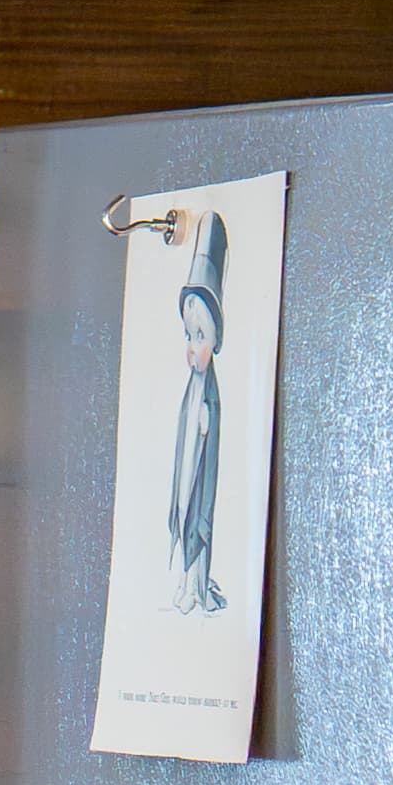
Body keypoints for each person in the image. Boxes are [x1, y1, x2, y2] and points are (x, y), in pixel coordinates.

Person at [167, 212, 228, 614]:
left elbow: (211, 435)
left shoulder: (211, 394)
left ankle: (198, 584)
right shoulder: (190, 390)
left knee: (197, 526)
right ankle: (188, 584)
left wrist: (205, 427)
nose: (192, 348)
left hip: (200, 481)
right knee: (183, 515)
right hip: (186, 474)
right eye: (189, 336)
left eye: (200, 337)